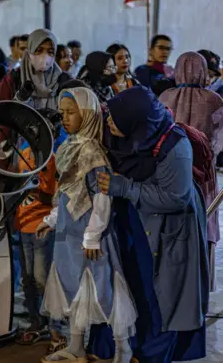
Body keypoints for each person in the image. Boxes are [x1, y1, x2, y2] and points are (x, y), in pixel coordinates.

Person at [89, 86, 208, 363]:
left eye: (115, 118)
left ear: (135, 121)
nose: (108, 122)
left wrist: (123, 186)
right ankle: (126, 347)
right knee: (131, 285)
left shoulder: (174, 146)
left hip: (168, 229)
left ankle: (152, 355)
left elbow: (176, 198)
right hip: (133, 222)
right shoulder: (119, 138)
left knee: (160, 295)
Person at [37, 87, 137, 363]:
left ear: (89, 114)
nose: (65, 117)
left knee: (103, 287)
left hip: (90, 233)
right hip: (68, 231)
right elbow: (66, 192)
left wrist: (92, 236)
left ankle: (122, 349)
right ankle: (76, 345)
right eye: (63, 112)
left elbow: (102, 197)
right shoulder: (69, 147)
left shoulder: (93, 152)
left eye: (72, 112)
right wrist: (51, 219)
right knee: (73, 287)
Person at [159, 51, 223, 291]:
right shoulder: (213, 99)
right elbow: (218, 140)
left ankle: (173, 285)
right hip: (203, 174)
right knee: (203, 222)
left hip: (168, 171)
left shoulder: (165, 96)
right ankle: (200, 287)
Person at [14, 107, 66, 354]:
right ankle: (36, 322)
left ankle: (56, 326)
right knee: (28, 279)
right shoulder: (23, 153)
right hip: (23, 223)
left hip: (43, 225)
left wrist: (34, 187)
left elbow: (53, 196)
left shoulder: (53, 159)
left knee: (43, 278)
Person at [0, 29, 70, 109]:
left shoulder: (64, 80)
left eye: (50, 52)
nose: (44, 56)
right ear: (29, 51)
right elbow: (3, 113)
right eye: (39, 50)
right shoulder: (12, 79)